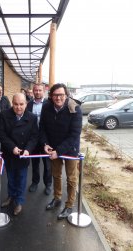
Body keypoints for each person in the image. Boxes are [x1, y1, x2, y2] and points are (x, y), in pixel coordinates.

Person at [39, 83, 82, 220]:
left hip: (70, 149)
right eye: (55, 95)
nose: (58, 98)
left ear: (66, 95)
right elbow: (42, 128)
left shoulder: (75, 109)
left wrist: (59, 151)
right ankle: (57, 198)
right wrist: (45, 144)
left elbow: (74, 134)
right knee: (56, 175)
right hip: (53, 148)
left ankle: (69, 205)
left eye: (61, 95)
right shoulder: (46, 107)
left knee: (71, 178)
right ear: (51, 96)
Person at [0, 93, 38, 215]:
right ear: (12, 103)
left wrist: (28, 150)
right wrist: (12, 147)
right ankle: (11, 196)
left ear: (26, 104)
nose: (18, 107)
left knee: (21, 178)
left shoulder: (32, 117)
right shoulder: (4, 114)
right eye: (15, 104)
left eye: (21, 104)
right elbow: (1, 133)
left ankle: (19, 201)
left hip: (23, 154)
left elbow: (34, 136)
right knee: (10, 178)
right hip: (10, 153)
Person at [26, 83, 52, 195]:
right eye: (35, 90)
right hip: (33, 138)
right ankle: (35, 182)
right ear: (33, 91)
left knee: (47, 164)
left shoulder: (49, 104)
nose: (37, 92)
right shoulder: (29, 105)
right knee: (35, 163)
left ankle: (48, 185)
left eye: (40, 90)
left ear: (44, 91)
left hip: (46, 138)